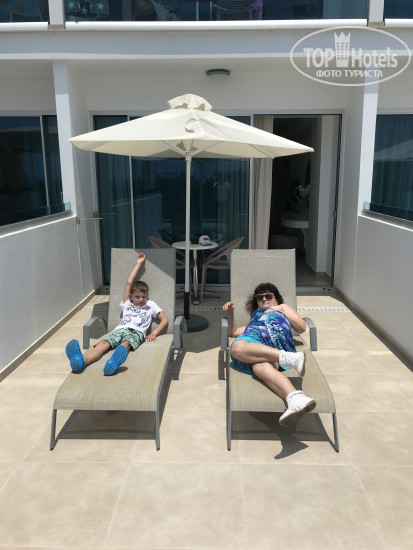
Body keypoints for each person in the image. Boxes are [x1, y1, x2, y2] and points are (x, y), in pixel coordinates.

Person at [223, 282, 316, 427]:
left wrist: (277, 309)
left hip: (275, 342)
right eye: (259, 297)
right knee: (259, 368)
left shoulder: (282, 307)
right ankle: (296, 398)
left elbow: (302, 327)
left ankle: (288, 358)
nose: (264, 299)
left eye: (268, 296)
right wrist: (230, 313)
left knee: (236, 347)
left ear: (276, 298)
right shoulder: (255, 319)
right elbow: (233, 332)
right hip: (259, 345)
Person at [65, 252, 168, 376]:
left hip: (137, 332)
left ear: (148, 296)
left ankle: (113, 361)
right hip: (119, 329)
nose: (141, 299)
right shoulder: (127, 303)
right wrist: (138, 264)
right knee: (102, 344)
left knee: (126, 343)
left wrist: (154, 333)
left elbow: (164, 320)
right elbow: (129, 283)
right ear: (130, 296)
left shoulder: (151, 304)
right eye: (137, 297)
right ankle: (82, 362)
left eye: (144, 296)